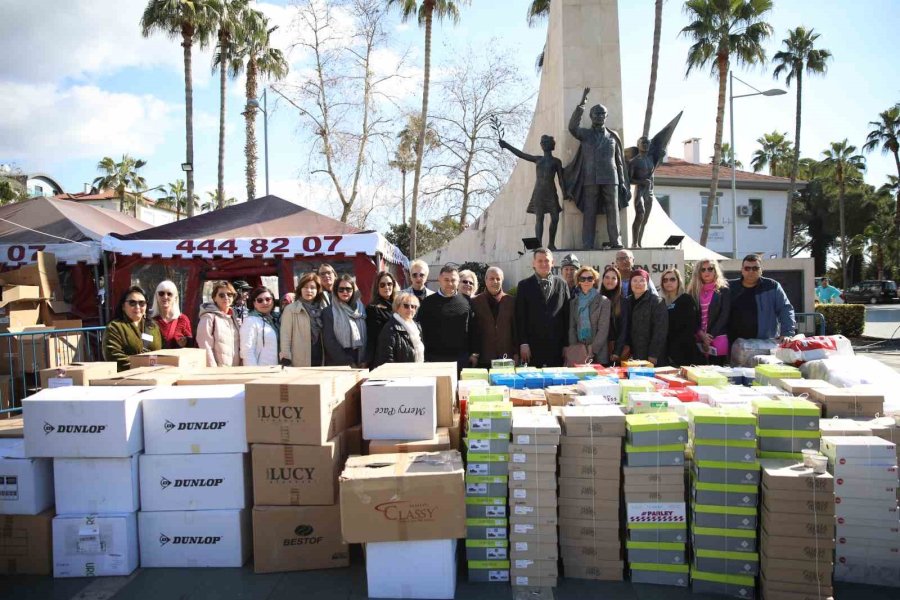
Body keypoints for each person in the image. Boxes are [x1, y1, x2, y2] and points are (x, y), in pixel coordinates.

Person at [564, 88, 631, 249]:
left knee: (613, 210)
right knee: (589, 212)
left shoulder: (614, 135)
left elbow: (619, 161)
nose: (599, 116)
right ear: (591, 116)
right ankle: (587, 243)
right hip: (590, 177)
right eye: (596, 113)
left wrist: (622, 181)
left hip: (611, 176)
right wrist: (582, 104)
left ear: (606, 116)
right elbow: (572, 127)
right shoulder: (585, 134)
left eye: (602, 114)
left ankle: (616, 241)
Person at [515, 248, 570, 367]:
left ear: (553, 263)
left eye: (547, 261)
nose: (543, 264)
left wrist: (566, 345)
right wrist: (523, 343)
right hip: (532, 347)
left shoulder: (562, 284)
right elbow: (520, 317)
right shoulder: (524, 286)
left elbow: (567, 317)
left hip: (556, 347)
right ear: (533, 263)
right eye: (540, 261)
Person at [418, 264, 478, 369]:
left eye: (453, 280)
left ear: (458, 281)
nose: (450, 283)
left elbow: (473, 329)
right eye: (446, 280)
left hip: (461, 360)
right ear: (439, 280)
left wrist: (474, 353)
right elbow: (421, 331)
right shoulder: (427, 303)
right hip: (434, 360)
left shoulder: (466, 301)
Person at [728, 254, 796, 345]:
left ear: (761, 271)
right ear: (742, 270)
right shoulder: (729, 287)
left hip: (764, 343)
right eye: (747, 268)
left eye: (755, 268)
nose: (751, 271)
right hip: (733, 344)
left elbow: (785, 309)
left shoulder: (772, 286)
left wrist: (787, 333)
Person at [103, 286, 163, 371]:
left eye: (142, 303)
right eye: (132, 303)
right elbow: (113, 356)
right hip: (127, 378)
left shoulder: (153, 327)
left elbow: (159, 353)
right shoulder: (114, 327)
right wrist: (142, 365)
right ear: (123, 306)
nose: (137, 307)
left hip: (153, 375)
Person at [470, 266, 518, 367]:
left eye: (498, 279)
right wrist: (474, 354)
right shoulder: (475, 302)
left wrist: (516, 353)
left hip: (506, 357)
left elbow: (516, 329)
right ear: (486, 280)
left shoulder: (511, 301)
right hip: (483, 358)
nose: (495, 281)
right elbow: (472, 331)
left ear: (502, 281)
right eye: (491, 278)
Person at [687, 258, 731, 364]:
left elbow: (724, 315)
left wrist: (709, 337)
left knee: (717, 373)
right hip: (698, 338)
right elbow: (691, 316)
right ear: (699, 272)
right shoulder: (693, 291)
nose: (706, 272)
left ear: (715, 271)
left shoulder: (723, 290)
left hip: (718, 337)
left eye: (710, 269)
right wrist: (701, 335)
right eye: (703, 270)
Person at [280, 273, 327, 367]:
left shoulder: (323, 308)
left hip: (321, 356)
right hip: (300, 357)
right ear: (300, 289)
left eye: (313, 287)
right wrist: (286, 357)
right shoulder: (291, 309)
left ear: (318, 290)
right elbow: (285, 335)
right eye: (305, 287)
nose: (309, 290)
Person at [622, 269, 668, 365]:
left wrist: (653, 354)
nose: (638, 284)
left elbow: (660, 331)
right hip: (630, 354)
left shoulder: (657, 302)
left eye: (642, 280)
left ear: (647, 283)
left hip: (648, 355)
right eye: (635, 280)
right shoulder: (626, 302)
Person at [568, 266, 611, 365]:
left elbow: (603, 329)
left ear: (594, 281)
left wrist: (592, 349)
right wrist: (576, 348)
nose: (586, 281)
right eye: (583, 279)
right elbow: (572, 327)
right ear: (578, 281)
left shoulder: (603, 301)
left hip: (598, 353)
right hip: (579, 351)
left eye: (590, 278)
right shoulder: (574, 302)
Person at [322, 274, 368, 367]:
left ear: (353, 291)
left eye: (348, 289)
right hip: (339, 362)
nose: (345, 292)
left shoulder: (361, 309)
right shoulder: (328, 312)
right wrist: (347, 362)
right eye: (341, 289)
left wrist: (365, 359)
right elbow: (329, 341)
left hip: (360, 359)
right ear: (335, 291)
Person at [373, 291, 425, 368]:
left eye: (413, 306)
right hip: (398, 376)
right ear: (397, 308)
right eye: (406, 306)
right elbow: (386, 359)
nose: (410, 309)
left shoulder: (417, 327)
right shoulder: (390, 328)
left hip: (416, 372)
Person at [196, 281, 241, 367]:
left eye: (229, 294)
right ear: (214, 298)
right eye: (221, 295)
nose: (226, 297)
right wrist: (213, 370)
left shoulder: (233, 317)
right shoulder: (208, 318)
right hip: (218, 371)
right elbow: (205, 346)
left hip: (235, 370)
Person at [661, 268, 699, 367]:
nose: (669, 282)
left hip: (685, 351)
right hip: (667, 352)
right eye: (665, 280)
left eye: (672, 279)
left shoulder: (686, 299)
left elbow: (691, 326)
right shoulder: (662, 302)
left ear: (678, 281)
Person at [239, 286, 279, 366]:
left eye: (268, 299)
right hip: (260, 370)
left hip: (275, 368)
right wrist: (254, 372)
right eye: (260, 300)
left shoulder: (276, 319)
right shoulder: (250, 321)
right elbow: (247, 351)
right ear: (254, 303)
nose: (264, 303)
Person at [150, 280, 193, 349]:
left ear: (175, 298)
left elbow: (190, 346)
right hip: (154, 359)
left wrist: (184, 342)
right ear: (156, 296)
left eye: (169, 294)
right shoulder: (148, 319)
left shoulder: (183, 319)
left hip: (175, 359)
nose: (165, 297)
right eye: (161, 293)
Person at [366, 271, 397, 363]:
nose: (387, 287)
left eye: (389, 284)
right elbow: (373, 337)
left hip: (399, 352)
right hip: (383, 355)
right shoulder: (372, 308)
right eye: (382, 285)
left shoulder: (399, 305)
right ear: (377, 288)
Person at [602, 265, 630, 364]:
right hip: (599, 349)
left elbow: (624, 329)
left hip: (614, 350)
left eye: (614, 278)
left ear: (618, 281)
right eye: (607, 277)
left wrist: (617, 352)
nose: (610, 280)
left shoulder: (623, 302)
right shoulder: (597, 299)